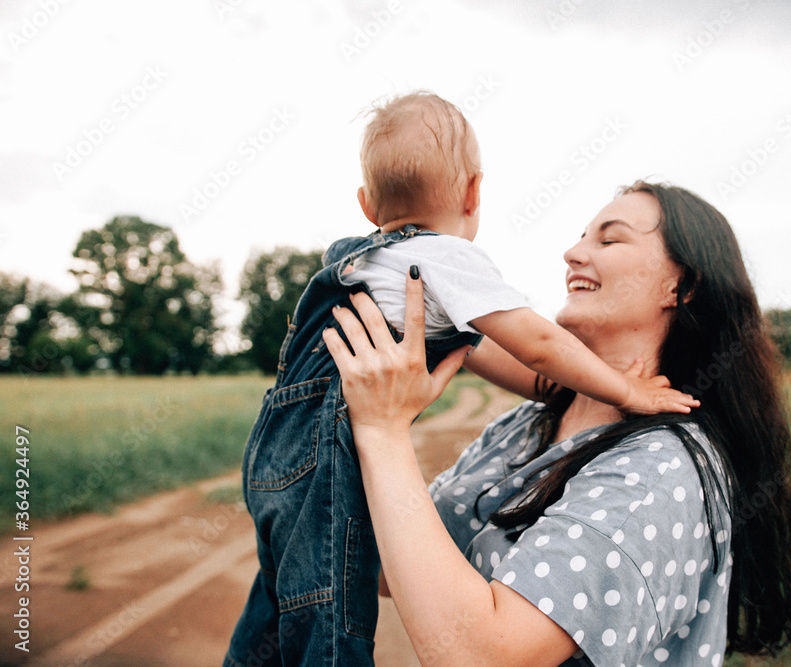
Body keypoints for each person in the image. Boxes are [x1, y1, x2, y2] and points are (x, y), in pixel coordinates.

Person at [224, 94, 697, 667]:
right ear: (474, 192)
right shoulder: (449, 259)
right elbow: (539, 345)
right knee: (328, 617)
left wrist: (575, 387)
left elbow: (490, 356)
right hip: (323, 450)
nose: (572, 252)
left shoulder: (367, 262)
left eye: (609, 238)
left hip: (273, 452)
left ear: (368, 205)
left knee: (286, 594)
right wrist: (625, 390)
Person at [324, 181, 791, 665]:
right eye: (582, 236)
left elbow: (483, 657)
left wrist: (384, 431)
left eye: (609, 239)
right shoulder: (525, 425)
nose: (573, 253)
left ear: (682, 286)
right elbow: (387, 569)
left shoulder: (659, 472)